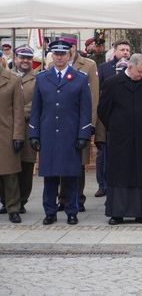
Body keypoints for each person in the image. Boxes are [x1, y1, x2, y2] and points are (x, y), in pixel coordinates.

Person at [29, 40, 92, 225]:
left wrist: (83, 135)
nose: (59, 57)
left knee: (71, 176)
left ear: (69, 55)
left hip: (70, 135)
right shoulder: (42, 78)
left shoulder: (80, 78)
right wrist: (34, 134)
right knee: (49, 177)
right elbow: (36, 110)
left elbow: (85, 110)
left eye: (62, 54)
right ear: (51, 56)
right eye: (56, 54)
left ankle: (72, 211)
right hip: (48, 134)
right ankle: (50, 211)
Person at [98, 54, 142, 225]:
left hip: (141, 137)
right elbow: (103, 110)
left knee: (141, 174)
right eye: (139, 72)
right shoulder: (112, 83)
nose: (141, 75)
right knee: (119, 174)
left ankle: (141, 212)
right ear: (130, 68)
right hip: (119, 138)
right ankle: (117, 213)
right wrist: (117, 125)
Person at [53, 36, 99, 213]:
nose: (67, 50)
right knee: (60, 162)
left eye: (71, 46)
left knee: (78, 163)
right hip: (59, 122)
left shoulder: (88, 65)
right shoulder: (53, 65)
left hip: (79, 121)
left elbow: (94, 96)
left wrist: (91, 123)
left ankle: (78, 198)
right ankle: (62, 198)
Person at [94, 39, 132, 199]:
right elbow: (98, 92)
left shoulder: (133, 67)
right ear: (115, 51)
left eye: (127, 50)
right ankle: (103, 184)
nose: (125, 52)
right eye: (122, 49)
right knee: (103, 153)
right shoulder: (103, 69)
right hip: (106, 117)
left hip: (127, 118)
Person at [9, 47, 37, 214]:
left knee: (26, 166)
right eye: (22, 57)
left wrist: (17, 113)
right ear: (15, 57)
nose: (25, 61)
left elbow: (37, 104)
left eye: (28, 58)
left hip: (27, 128)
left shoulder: (38, 79)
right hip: (7, 128)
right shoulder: (7, 75)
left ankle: (21, 201)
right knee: (8, 166)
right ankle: (7, 200)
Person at [0, 62, 25, 223]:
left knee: (9, 174)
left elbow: (18, 110)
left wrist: (18, 135)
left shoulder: (13, 80)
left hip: (6, 133)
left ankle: (13, 208)